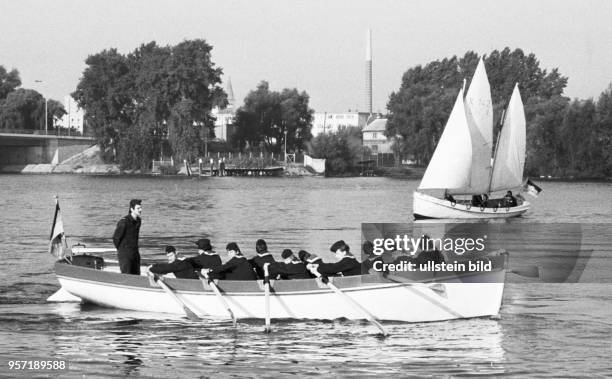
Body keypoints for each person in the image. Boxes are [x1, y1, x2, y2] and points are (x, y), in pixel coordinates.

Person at [113, 199, 142, 275]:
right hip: (125, 254)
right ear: (132, 209)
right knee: (127, 276)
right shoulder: (124, 222)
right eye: (138, 208)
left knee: (137, 276)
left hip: (135, 253)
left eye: (140, 208)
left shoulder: (138, 221)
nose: (140, 210)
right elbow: (116, 238)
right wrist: (122, 250)